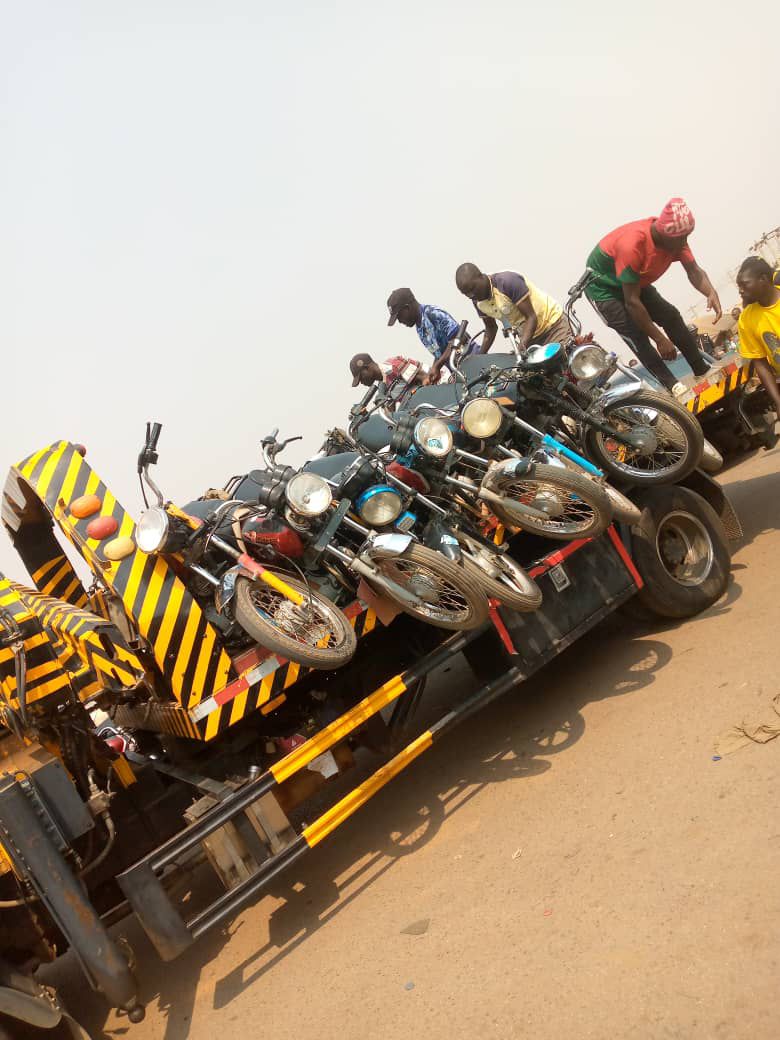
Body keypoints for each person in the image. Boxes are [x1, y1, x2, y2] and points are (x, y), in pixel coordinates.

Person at [584, 198, 722, 397]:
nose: (685, 242)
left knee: (670, 315)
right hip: (604, 289)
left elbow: (693, 270)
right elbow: (632, 302)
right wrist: (659, 339)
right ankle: (672, 385)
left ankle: (701, 368)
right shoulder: (633, 245)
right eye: (682, 238)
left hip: (633, 280)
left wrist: (710, 292)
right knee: (638, 337)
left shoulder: (677, 239)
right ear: (665, 234)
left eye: (687, 237)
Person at [454, 263, 570, 354]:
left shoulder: (507, 282)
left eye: (473, 288)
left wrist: (521, 347)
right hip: (531, 338)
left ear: (480, 276)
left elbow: (531, 317)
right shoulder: (478, 301)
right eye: (466, 294)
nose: (471, 295)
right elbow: (491, 329)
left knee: (564, 369)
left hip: (553, 326)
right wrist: (479, 357)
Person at [386, 288, 469, 384]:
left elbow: (461, 337)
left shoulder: (432, 313)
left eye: (399, 317)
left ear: (407, 308)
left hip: (471, 361)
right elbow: (439, 352)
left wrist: (437, 366)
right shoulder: (419, 327)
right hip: (458, 370)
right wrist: (433, 371)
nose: (400, 322)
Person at [734, 256, 780, 414]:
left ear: (763, 279)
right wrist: (778, 402)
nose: (740, 290)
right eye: (738, 286)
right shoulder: (746, 319)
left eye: (744, 284)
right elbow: (760, 363)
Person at [349, 352, 424, 390]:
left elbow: (424, 378)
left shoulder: (393, 366)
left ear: (367, 368)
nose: (361, 382)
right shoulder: (383, 385)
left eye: (361, 377)